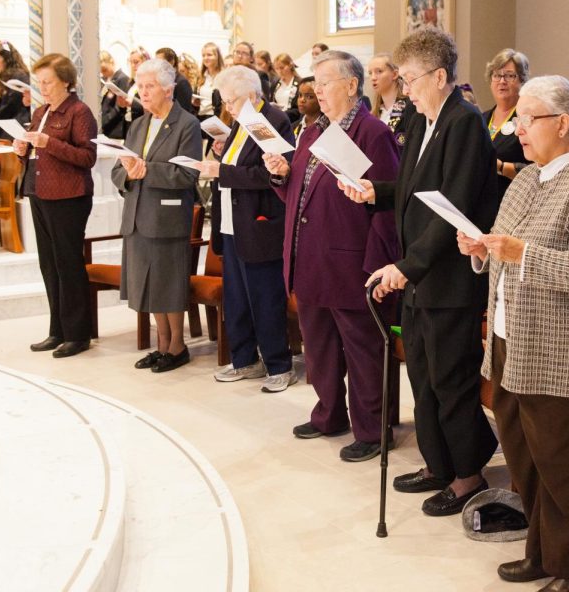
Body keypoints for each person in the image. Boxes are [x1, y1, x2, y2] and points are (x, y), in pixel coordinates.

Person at [460, 75, 569, 592]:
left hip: (567, 351)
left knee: (564, 468)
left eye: (527, 118)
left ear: (562, 123)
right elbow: (504, 248)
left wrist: (521, 254)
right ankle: (541, 551)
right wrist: (481, 251)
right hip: (514, 341)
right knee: (525, 461)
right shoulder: (525, 179)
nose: (518, 128)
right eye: (518, 119)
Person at [341, 29, 500, 516]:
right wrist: (377, 194)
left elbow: (453, 201)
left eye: (410, 80)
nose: (404, 89)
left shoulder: (464, 122)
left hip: (448, 278)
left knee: (450, 381)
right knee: (424, 378)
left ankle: (469, 474)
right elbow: (413, 187)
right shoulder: (423, 118)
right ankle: (438, 463)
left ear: (438, 75)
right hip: (421, 276)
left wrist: (407, 268)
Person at [262, 50, 400, 461]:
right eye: (314, 83)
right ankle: (329, 414)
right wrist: (280, 175)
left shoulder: (372, 133)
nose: (316, 90)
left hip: (350, 259)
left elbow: (387, 204)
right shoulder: (310, 133)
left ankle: (374, 429)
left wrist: (375, 265)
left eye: (325, 82)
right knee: (318, 346)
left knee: (362, 349)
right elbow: (300, 199)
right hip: (309, 258)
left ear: (352, 85)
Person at [199, 66, 296, 392]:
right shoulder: (241, 123)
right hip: (231, 223)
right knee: (237, 299)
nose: (227, 107)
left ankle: (279, 365)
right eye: (224, 101)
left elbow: (272, 176)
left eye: (232, 100)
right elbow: (242, 165)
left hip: (259, 225)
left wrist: (222, 170)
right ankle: (245, 360)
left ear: (253, 95)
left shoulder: (274, 121)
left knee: (265, 298)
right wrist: (223, 154)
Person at [113, 57, 203, 373]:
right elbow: (117, 169)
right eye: (142, 86)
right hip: (137, 214)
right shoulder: (138, 124)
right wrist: (127, 174)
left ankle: (177, 346)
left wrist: (146, 170)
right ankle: (161, 344)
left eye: (150, 86)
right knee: (149, 285)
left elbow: (187, 174)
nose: (144, 92)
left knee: (167, 283)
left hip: (167, 217)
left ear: (169, 89)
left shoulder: (187, 124)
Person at [14, 53, 98, 358]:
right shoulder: (40, 112)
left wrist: (50, 143)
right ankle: (57, 330)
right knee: (48, 264)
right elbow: (36, 154)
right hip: (39, 191)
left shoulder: (79, 112)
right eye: (40, 82)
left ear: (65, 80)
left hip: (68, 195)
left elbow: (88, 157)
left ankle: (78, 334)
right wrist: (22, 149)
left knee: (68, 263)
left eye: (48, 82)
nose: (43, 88)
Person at [484, 49, 531, 196]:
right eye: (497, 75)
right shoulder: (481, 119)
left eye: (510, 75)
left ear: (522, 80)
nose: (502, 81)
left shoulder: (528, 119)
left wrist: (502, 167)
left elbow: (538, 169)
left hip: (512, 201)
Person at [367, 52, 414, 146]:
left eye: (379, 71)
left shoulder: (410, 106)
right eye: (370, 73)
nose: (373, 77)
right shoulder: (374, 113)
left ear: (395, 74)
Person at [99, 50, 132, 139]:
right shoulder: (106, 80)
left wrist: (105, 121)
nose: (103, 73)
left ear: (111, 62)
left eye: (104, 70)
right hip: (107, 129)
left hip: (116, 129)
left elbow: (120, 107)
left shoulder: (123, 79)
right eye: (101, 71)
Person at [114, 47, 148, 130]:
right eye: (131, 62)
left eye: (136, 62)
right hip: (129, 123)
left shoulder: (149, 82)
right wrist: (122, 104)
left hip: (142, 125)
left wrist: (131, 104)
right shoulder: (132, 81)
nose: (133, 66)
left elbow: (151, 105)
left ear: (145, 62)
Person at [154, 47, 195, 115]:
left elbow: (183, 110)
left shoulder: (182, 82)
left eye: (160, 62)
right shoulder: (162, 80)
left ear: (171, 62)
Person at [291, 76, 320, 141]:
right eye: (300, 95)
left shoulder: (325, 128)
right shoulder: (294, 126)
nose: (302, 100)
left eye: (309, 97)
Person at [200, 42, 225, 113]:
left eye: (209, 55)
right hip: (200, 116)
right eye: (203, 55)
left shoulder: (224, 76)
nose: (205, 58)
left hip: (217, 117)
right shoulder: (202, 76)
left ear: (217, 56)